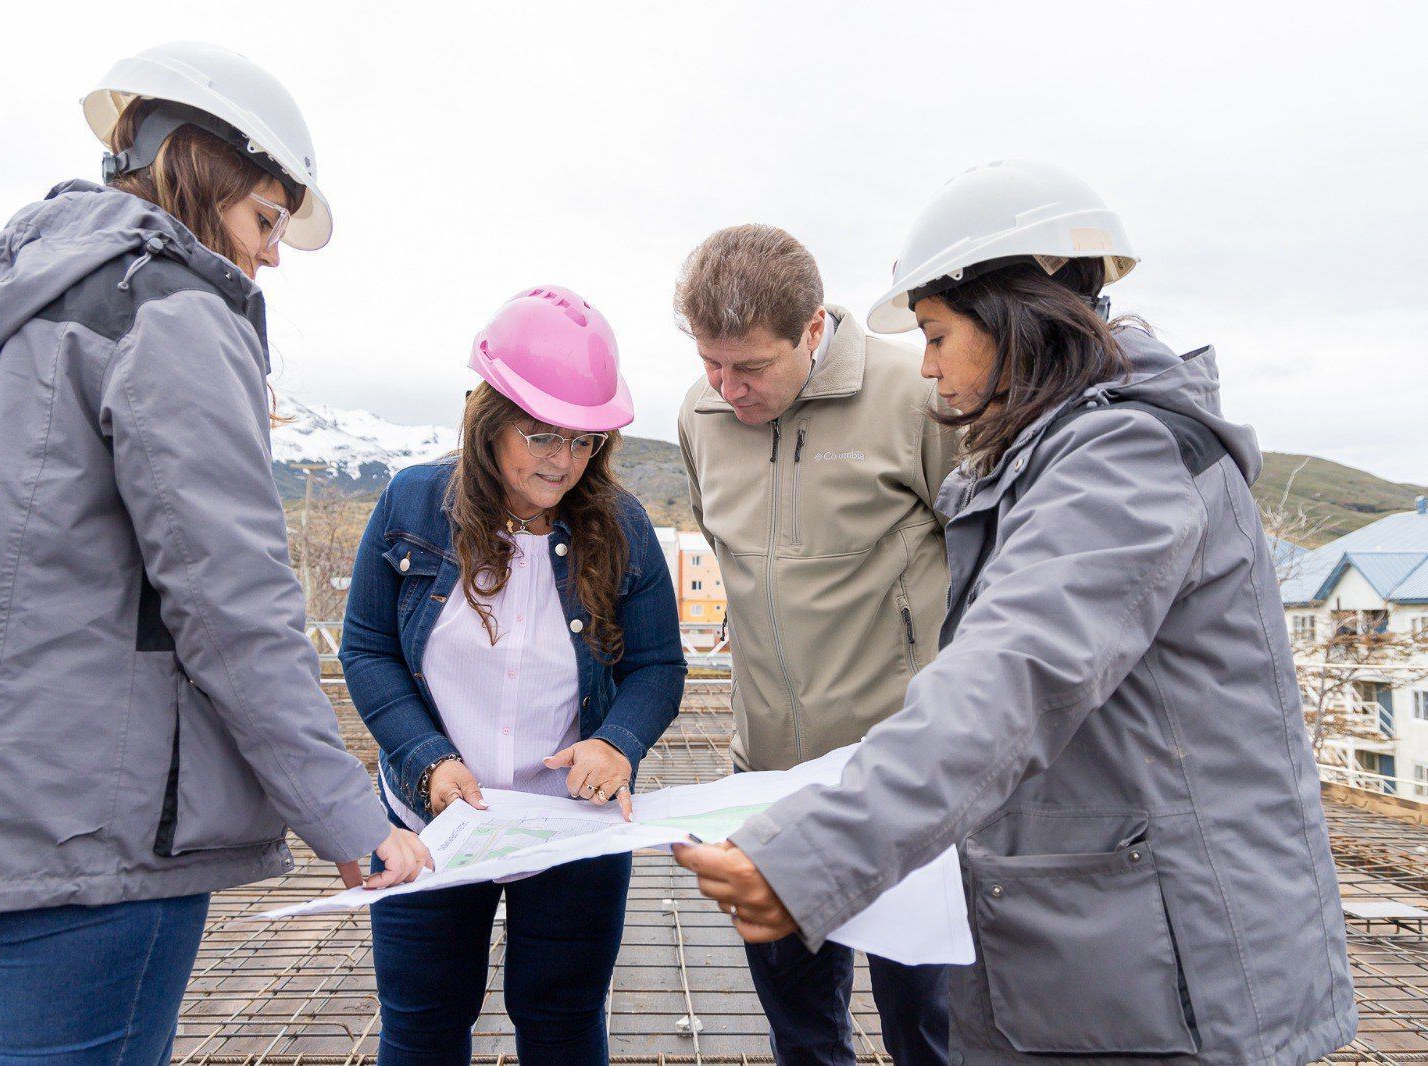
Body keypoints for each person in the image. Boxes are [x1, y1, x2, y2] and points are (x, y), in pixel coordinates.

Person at [676, 160, 1358, 1062]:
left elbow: (1014, 674)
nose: (923, 367)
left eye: (934, 334)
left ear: (1012, 323)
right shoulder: (1059, 454)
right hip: (1102, 933)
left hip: (1176, 961)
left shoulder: (1122, 457)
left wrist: (815, 856)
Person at [0, 42, 429, 1063]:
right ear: (199, 169)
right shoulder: (170, 308)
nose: (270, 256)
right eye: (264, 219)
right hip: (86, 842)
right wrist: (348, 814)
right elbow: (232, 603)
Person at [341, 285, 686, 1065]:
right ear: (489, 421)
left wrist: (618, 743)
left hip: (566, 828)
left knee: (562, 1024)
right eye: (541, 436)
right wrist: (426, 759)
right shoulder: (411, 505)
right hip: (429, 826)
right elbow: (365, 648)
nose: (563, 462)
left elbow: (659, 665)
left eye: (584, 441)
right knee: (424, 1025)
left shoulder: (620, 526)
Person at [674, 224, 957, 1065]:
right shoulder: (698, 414)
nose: (727, 389)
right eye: (710, 363)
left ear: (811, 330)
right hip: (769, 787)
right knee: (802, 1032)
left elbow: (988, 567)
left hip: (905, 784)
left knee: (929, 1032)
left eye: (749, 368)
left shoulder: (916, 395)